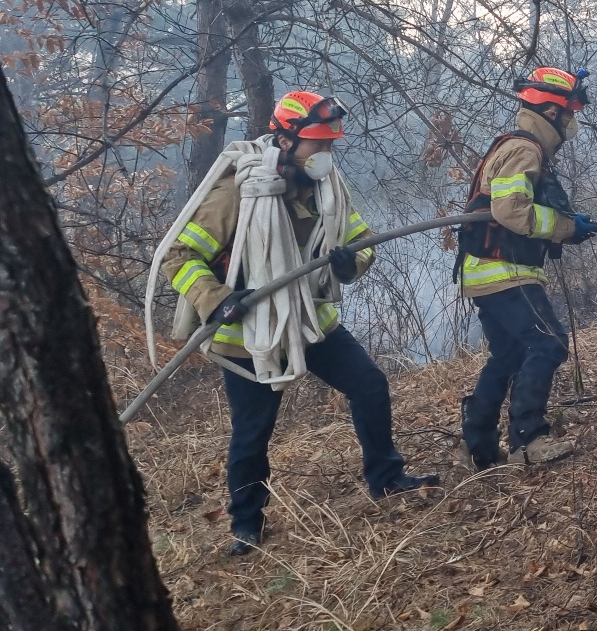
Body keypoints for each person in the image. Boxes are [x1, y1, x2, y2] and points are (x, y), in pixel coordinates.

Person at [161, 91, 438, 556]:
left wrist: (351, 262)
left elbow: (362, 238)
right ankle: (246, 526)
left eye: (330, 147)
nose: (325, 156)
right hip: (249, 336)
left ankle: (386, 478)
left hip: (312, 322)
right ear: (285, 140)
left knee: (369, 384)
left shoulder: (327, 189)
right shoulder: (237, 191)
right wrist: (218, 299)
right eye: (317, 146)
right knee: (253, 432)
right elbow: (179, 256)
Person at [456, 66, 597, 469]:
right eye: (570, 112)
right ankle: (529, 440)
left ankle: (479, 447)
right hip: (504, 271)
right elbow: (510, 210)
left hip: (486, 273)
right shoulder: (525, 149)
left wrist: (571, 227)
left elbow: (517, 207)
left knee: (507, 355)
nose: (572, 122)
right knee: (549, 342)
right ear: (553, 112)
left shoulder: (520, 146)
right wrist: (562, 227)